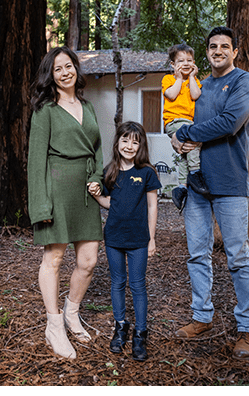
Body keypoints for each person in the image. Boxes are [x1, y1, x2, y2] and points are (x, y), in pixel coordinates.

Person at [170, 26, 249, 359]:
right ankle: (202, 316)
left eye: (225, 46)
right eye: (212, 46)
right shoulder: (200, 87)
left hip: (231, 184)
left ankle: (248, 329)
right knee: (197, 253)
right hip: (197, 185)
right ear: (206, 52)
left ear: (235, 52)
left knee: (238, 257)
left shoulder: (244, 82)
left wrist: (188, 132)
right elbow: (178, 120)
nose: (218, 50)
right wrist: (178, 139)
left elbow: (230, 121)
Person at [27, 46, 104, 359]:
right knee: (54, 259)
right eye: (58, 68)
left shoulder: (88, 106)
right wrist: (40, 205)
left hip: (86, 191)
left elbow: (97, 149)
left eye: (69, 65)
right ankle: (54, 325)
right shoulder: (44, 110)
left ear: (76, 68)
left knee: (88, 260)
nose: (65, 72)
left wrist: (98, 176)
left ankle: (72, 314)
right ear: (51, 75)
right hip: (56, 188)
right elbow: (35, 161)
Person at [91, 122, 161, 361]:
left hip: (139, 239)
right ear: (117, 142)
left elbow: (152, 207)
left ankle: (140, 333)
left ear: (140, 145)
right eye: (125, 140)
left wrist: (151, 239)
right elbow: (112, 203)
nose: (129, 146)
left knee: (137, 285)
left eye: (135, 141)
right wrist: (97, 196)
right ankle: (121, 326)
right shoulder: (110, 171)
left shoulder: (147, 172)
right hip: (114, 237)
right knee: (118, 283)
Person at [161, 43, 208, 211]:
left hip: (188, 122)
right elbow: (171, 95)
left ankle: (181, 186)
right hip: (174, 122)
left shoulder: (193, 81)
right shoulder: (169, 79)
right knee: (196, 140)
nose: (186, 63)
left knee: (185, 152)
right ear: (173, 65)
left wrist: (193, 78)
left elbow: (196, 95)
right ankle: (195, 173)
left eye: (189, 60)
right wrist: (179, 78)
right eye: (181, 60)